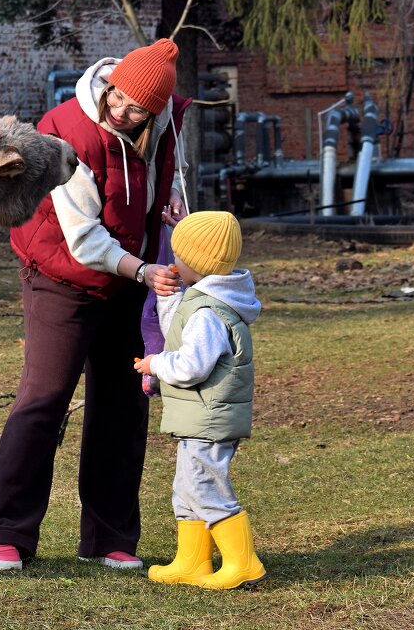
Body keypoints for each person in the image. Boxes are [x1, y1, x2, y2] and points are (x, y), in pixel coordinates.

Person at [0, 38, 191, 572]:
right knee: (44, 399)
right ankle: (5, 533)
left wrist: (172, 214)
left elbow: (164, 187)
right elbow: (84, 240)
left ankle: (109, 537)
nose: (118, 110)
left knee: (123, 404)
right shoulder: (65, 131)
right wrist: (142, 268)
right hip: (61, 275)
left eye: (134, 107)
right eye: (116, 97)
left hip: (130, 279)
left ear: (155, 112)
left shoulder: (163, 129)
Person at [132, 211, 267, 589]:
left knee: (205, 486)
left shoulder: (209, 312)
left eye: (179, 257)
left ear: (198, 264)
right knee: (186, 488)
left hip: (209, 419)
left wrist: (156, 364)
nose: (174, 263)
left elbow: (192, 366)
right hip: (201, 417)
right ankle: (192, 561)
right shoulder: (205, 299)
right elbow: (178, 324)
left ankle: (243, 562)